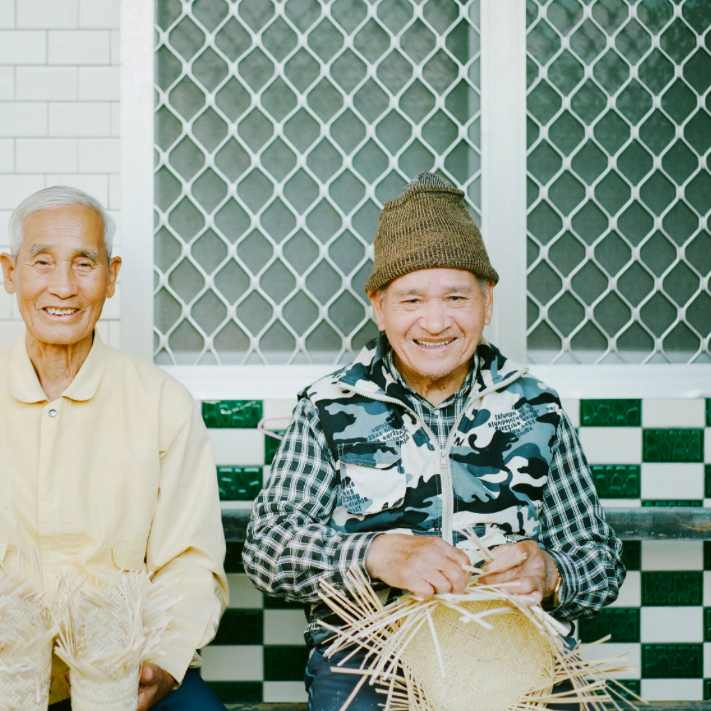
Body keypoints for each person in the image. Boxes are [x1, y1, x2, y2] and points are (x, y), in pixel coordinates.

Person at [242, 172, 625, 711]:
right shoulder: (329, 407)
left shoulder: (538, 408)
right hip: (370, 654)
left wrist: (553, 572)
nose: (436, 322)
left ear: (487, 301)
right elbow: (267, 549)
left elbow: (601, 556)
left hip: (514, 650)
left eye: (456, 297)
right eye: (412, 299)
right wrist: (373, 553)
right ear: (378, 304)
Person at [0, 186, 229, 711]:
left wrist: (161, 659)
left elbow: (190, 559)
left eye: (84, 264)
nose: (63, 287)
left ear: (111, 277)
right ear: (10, 273)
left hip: (127, 671)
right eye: (41, 263)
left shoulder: (163, 404)